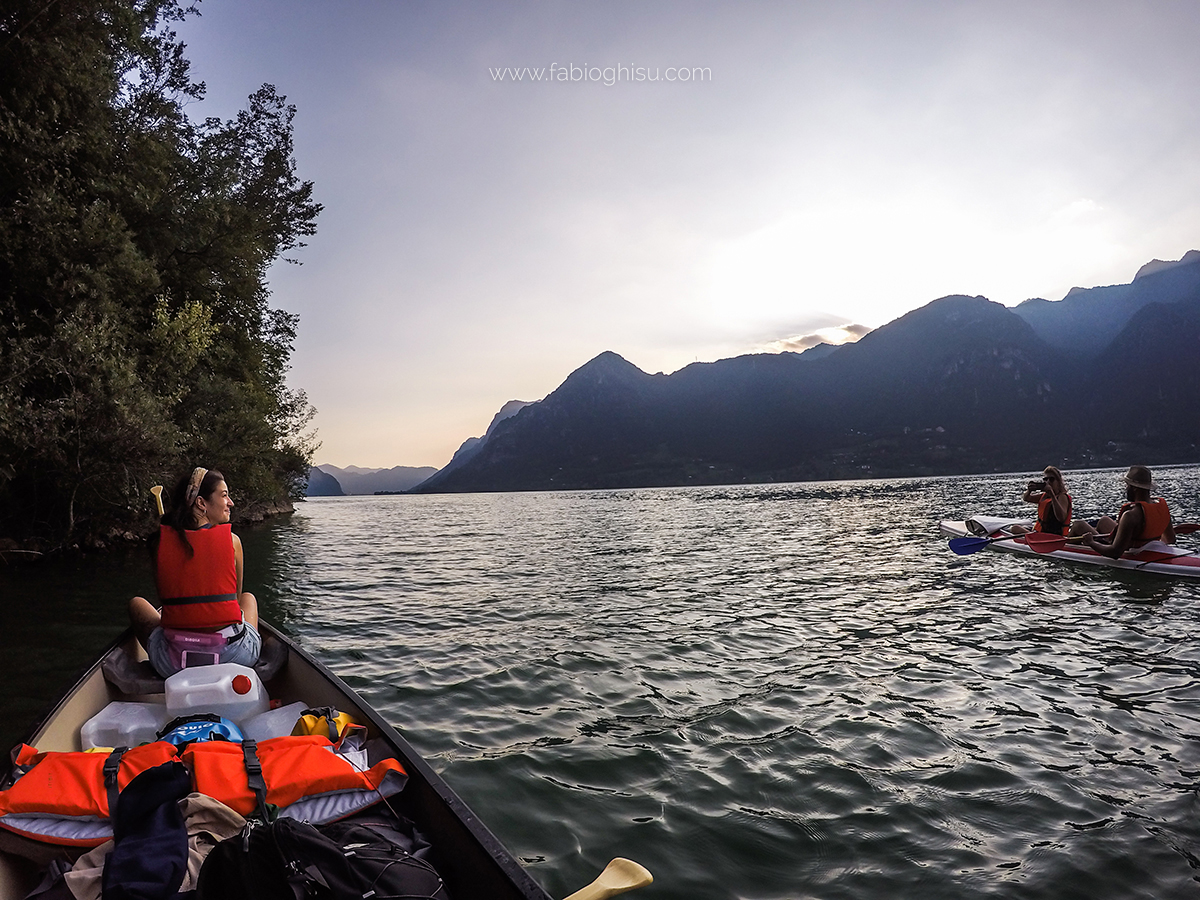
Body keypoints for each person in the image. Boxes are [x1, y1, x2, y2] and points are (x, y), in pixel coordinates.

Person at [130, 467, 261, 677]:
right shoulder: (233, 541)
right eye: (225, 495)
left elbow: (165, 599)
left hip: (174, 663)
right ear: (201, 503)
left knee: (136, 604)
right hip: (234, 659)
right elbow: (235, 604)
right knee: (248, 599)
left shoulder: (158, 543)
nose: (231, 503)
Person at [1076, 465, 1176, 559]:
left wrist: (1091, 542)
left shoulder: (1130, 515)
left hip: (1129, 551)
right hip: (1145, 547)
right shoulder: (1161, 506)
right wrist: (1151, 542)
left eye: (1127, 485)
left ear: (1134, 488)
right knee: (1104, 520)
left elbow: (1115, 553)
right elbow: (1170, 540)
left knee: (1078, 525)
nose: (1126, 489)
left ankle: (1066, 549)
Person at [1011, 466, 1072, 535]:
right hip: (1040, 532)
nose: (1048, 482)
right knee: (1017, 528)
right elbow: (1026, 498)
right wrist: (1029, 490)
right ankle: (1032, 535)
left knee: (1015, 528)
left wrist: (1052, 495)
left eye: (1051, 479)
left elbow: (1061, 518)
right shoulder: (1045, 496)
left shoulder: (1062, 497)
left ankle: (1032, 536)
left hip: (1054, 535)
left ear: (1058, 481)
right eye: (1045, 479)